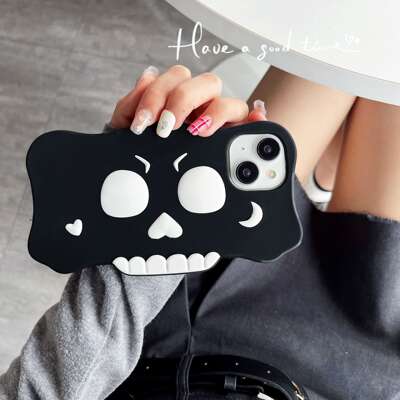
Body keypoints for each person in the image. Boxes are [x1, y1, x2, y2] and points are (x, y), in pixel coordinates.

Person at [1, 63, 400, 400]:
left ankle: (317, 175)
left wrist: (134, 205)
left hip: (184, 317)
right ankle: (323, 173)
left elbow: (48, 386)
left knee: (332, 47)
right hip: (346, 366)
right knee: (385, 58)